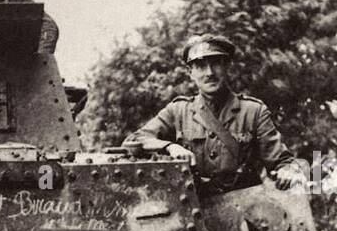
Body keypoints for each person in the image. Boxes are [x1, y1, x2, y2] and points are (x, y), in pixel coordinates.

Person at [121, 34, 305, 195]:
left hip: (247, 212)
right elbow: (134, 140)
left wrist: (288, 171)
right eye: (200, 66)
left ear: (227, 66)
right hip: (197, 215)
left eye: (216, 64)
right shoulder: (178, 111)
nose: (209, 73)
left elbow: (282, 162)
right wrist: (170, 147)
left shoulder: (253, 111)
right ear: (190, 72)